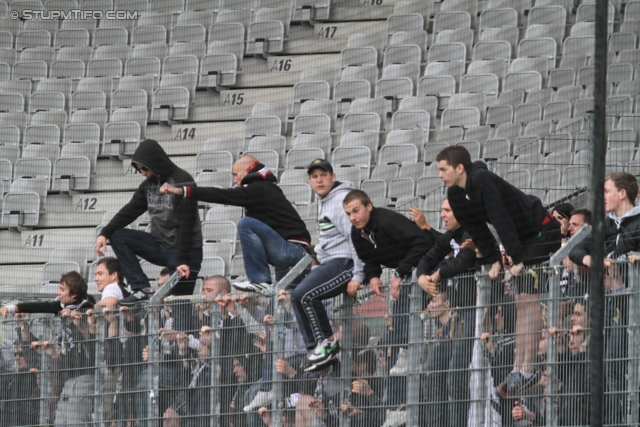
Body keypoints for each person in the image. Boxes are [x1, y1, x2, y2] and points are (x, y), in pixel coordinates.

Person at [436, 145, 562, 395]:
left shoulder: (481, 178)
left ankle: (528, 367)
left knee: (529, 299)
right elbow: (478, 229)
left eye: (443, 169)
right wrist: (494, 260)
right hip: (522, 241)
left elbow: (500, 216)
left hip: (540, 231)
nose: (440, 174)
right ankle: (520, 368)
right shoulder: (456, 194)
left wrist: (514, 258)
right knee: (521, 301)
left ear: (459, 167)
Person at [342, 189, 434, 427]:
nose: (353, 217)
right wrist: (373, 277)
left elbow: (422, 242)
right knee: (392, 345)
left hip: (425, 268)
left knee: (399, 343)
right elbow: (369, 258)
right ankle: (396, 406)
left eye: (356, 210)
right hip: (407, 274)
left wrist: (400, 273)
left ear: (369, 206)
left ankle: (401, 402)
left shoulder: (388, 221)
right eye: (348, 213)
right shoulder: (357, 232)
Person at [159, 155, 311, 295]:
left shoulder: (259, 189)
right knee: (285, 304)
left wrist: (181, 191)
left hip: (292, 250)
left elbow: (222, 195)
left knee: (245, 224)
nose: (234, 180)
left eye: (235, 175)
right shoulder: (265, 189)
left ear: (247, 170)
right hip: (293, 253)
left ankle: (260, 280)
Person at [95, 139, 203, 305]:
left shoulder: (181, 181)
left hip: (186, 251)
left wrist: (181, 260)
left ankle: (186, 332)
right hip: (161, 246)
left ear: (155, 163)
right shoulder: (147, 186)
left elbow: (186, 224)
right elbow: (130, 210)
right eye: (139, 170)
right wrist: (105, 232)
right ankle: (141, 288)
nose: (142, 173)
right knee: (118, 236)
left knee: (178, 305)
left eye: (145, 168)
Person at [290, 159, 364, 371]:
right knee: (297, 295)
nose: (319, 180)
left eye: (323, 175)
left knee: (304, 294)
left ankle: (327, 344)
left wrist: (358, 274)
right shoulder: (326, 200)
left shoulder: (340, 200)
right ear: (309, 181)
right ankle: (317, 348)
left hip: (347, 262)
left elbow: (355, 239)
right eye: (314, 176)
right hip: (332, 262)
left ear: (333, 176)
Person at [0, 271, 96, 426]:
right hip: (69, 377)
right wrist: (12, 308)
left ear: (74, 294)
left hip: (84, 375)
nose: (58, 293)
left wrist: (75, 316)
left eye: (62, 289)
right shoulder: (63, 306)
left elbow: (89, 325)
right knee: (60, 421)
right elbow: (41, 305)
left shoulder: (86, 306)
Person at [416, 198, 477, 426]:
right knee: (432, 371)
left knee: (455, 378)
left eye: (447, 210)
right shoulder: (450, 235)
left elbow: (463, 262)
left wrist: (438, 274)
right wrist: (423, 277)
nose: (442, 215)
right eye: (442, 209)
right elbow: (427, 258)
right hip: (455, 316)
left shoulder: (474, 231)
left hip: (474, 313)